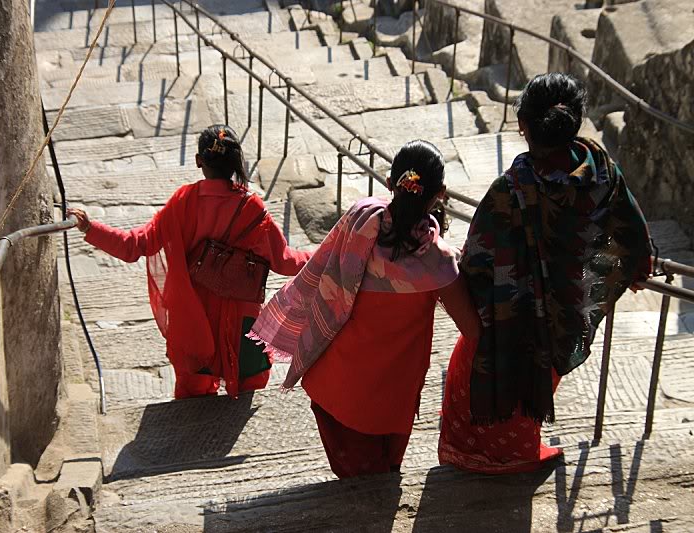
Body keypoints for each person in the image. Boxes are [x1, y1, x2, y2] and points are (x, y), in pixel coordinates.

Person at [438, 73, 653, 474]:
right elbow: (631, 231)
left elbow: (477, 264)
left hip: (512, 318)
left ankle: (489, 455)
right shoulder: (601, 169)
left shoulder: (510, 189)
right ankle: (518, 450)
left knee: (482, 366)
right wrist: (636, 270)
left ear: (523, 127)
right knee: (538, 379)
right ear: (574, 121)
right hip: (565, 315)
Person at [249, 140, 481, 478]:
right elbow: (473, 331)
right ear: (440, 194)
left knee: (356, 478)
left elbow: (322, 268)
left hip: (335, 382)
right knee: (381, 479)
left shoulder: (360, 218)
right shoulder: (439, 263)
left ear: (390, 183)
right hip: (389, 400)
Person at [68, 124, 311, 400]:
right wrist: (327, 255)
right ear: (235, 163)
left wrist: (90, 228)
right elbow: (285, 262)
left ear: (199, 161)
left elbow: (134, 246)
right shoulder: (253, 209)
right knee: (247, 393)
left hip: (193, 321)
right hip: (242, 324)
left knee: (192, 394)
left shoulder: (182, 203)